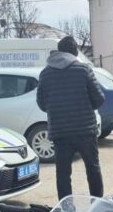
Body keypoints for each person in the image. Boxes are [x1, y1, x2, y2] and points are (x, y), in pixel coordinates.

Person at [36, 36, 105, 199]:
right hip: (85, 130)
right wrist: (85, 107)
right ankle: (97, 204)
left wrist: (57, 109)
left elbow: (42, 104)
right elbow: (99, 99)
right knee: (93, 169)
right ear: (75, 53)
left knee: (63, 174)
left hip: (60, 132)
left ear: (59, 51)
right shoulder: (83, 70)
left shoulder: (45, 73)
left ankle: (66, 209)